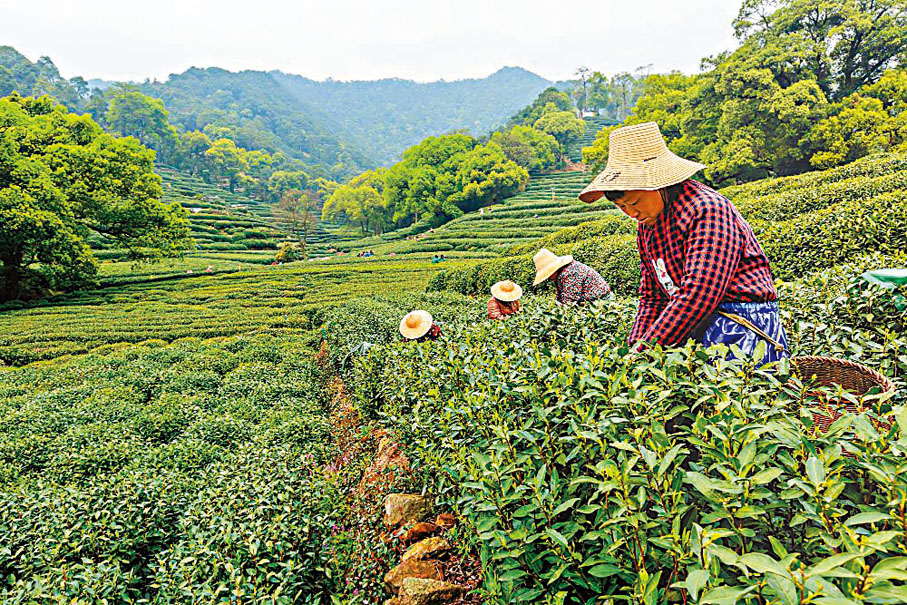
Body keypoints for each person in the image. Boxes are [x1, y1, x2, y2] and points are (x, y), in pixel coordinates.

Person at [578, 121, 787, 365]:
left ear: (658, 184)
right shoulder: (648, 226)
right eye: (622, 207)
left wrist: (647, 347)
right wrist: (635, 347)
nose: (631, 213)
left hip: (741, 324)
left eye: (634, 202)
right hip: (693, 322)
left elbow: (700, 292)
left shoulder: (708, 210)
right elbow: (652, 296)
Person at [532, 248, 613, 304]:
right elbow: (560, 297)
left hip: (603, 301)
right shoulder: (560, 275)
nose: (548, 278)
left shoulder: (570, 273)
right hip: (591, 302)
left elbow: (570, 301)